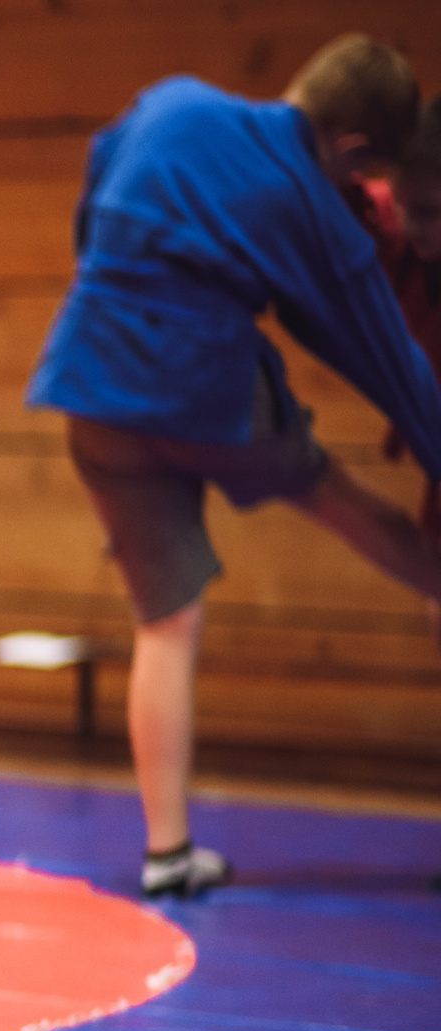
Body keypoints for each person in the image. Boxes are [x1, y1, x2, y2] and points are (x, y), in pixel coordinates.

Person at [28, 35, 441, 899]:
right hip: (206, 387)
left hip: (91, 377)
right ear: (358, 152)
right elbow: (380, 353)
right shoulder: (309, 200)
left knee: (166, 621)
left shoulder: (169, 100)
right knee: (338, 499)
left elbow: (93, 200)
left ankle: (168, 851)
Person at [357, 94, 441, 535]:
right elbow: (351, 202)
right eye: (405, 205)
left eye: (426, 212)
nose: (409, 224)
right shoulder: (399, 234)